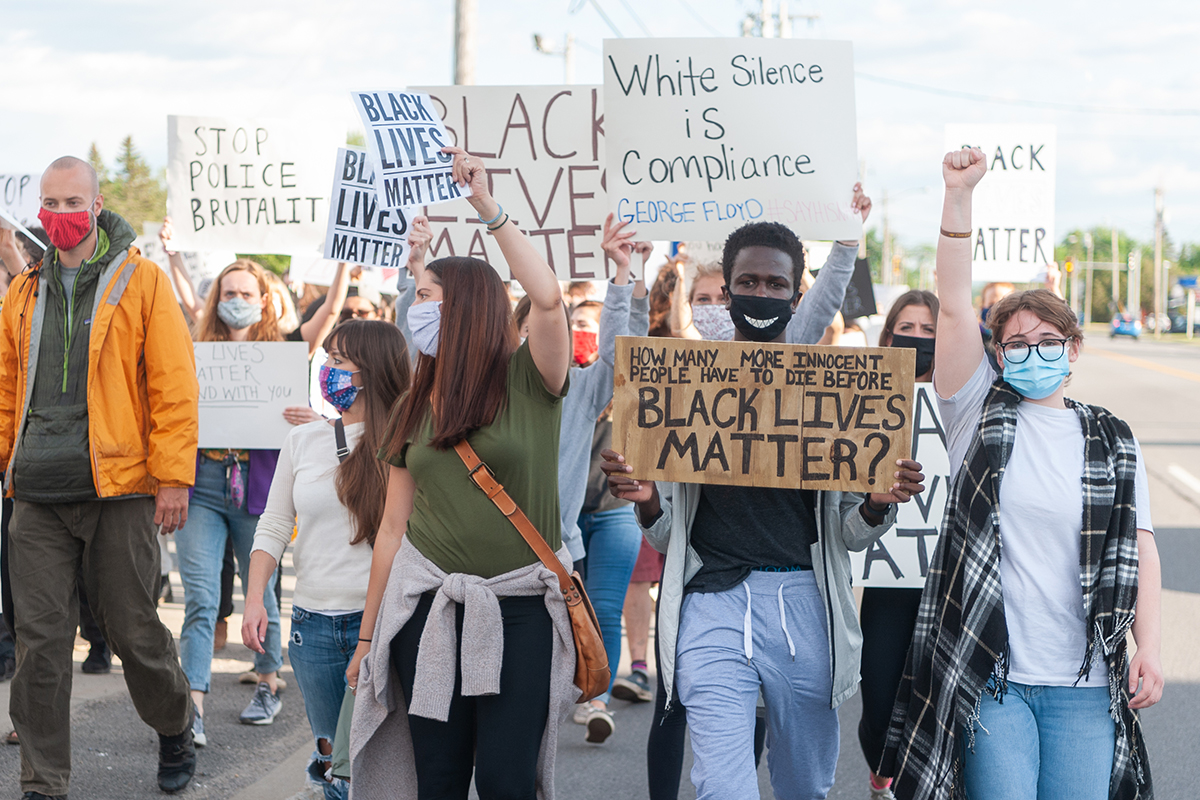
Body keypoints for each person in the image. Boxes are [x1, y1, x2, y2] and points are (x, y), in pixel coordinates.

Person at [603, 198, 921, 800]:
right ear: (725, 292)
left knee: (805, 787)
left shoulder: (826, 393)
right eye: (746, 281)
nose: (760, 293)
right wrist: (647, 502)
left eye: (776, 283)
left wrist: (877, 503)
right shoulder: (685, 386)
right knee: (724, 788)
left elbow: (851, 534)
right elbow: (669, 535)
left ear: (795, 297)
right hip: (711, 607)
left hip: (806, 605)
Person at [880, 148, 1163, 800]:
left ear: (1073, 349)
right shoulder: (975, 411)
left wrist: (1149, 646)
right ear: (997, 352)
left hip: (1085, 683)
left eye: (1047, 342)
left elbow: (1141, 545)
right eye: (1016, 343)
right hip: (993, 674)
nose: (1031, 353)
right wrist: (959, 196)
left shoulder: (1113, 439)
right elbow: (952, 306)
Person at [347, 147, 575, 800]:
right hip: (429, 614)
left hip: (524, 612)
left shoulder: (532, 381)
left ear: (472, 308)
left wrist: (486, 206)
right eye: (417, 297)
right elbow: (392, 529)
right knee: (437, 780)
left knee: (508, 782)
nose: (417, 310)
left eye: (428, 299)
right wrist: (368, 640)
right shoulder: (415, 400)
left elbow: (549, 298)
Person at [0, 156, 198, 797]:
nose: (59, 216)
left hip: (119, 491)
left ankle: (175, 725)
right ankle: (42, 781)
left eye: (71, 203)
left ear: (98, 202)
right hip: (36, 493)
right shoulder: (24, 290)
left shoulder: (141, 281)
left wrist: (173, 476)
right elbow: (7, 388)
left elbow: (173, 386)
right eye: (50, 205)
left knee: (133, 628)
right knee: (39, 643)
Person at [243, 320, 411, 800]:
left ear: (372, 372)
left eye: (339, 361)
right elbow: (275, 523)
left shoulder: (409, 441)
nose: (326, 370)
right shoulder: (304, 440)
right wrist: (255, 598)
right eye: (328, 359)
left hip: (382, 624)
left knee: (376, 761)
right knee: (333, 762)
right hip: (310, 627)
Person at [537, 215, 650, 743]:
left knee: (600, 604)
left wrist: (627, 275)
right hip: (544, 530)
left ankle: (595, 696)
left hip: (606, 513)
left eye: (588, 325)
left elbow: (628, 352)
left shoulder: (590, 387)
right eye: (568, 324)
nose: (577, 335)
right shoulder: (525, 392)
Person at [174, 258, 289, 747]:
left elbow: (325, 316)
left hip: (258, 486)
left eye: (245, 293)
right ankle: (192, 707)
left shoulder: (281, 355)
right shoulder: (192, 352)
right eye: (228, 293)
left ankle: (267, 682)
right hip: (201, 483)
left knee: (261, 592)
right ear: (214, 300)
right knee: (200, 599)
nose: (236, 302)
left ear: (263, 301)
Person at [856, 290, 938, 800]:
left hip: (945, 580)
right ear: (888, 338)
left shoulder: (965, 403)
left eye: (929, 331)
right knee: (880, 698)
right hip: (886, 579)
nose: (917, 339)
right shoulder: (862, 405)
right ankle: (882, 770)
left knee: (935, 700)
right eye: (907, 328)